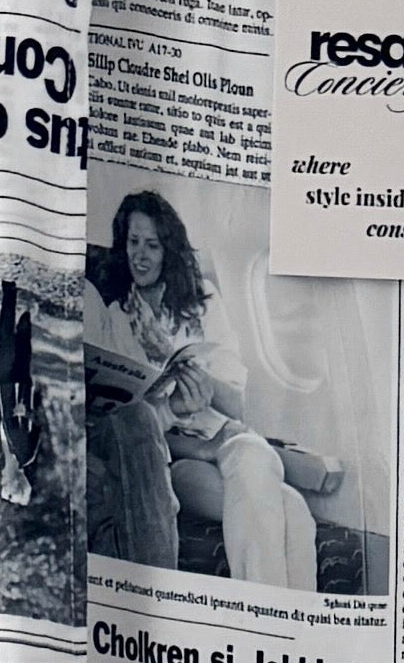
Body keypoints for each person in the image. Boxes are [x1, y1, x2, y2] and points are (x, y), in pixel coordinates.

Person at [87, 188, 332, 591]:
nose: (140, 256)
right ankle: (272, 618)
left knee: (283, 496)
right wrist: (198, 444)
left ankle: (277, 621)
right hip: (176, 457)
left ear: (169, 250)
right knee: (287, 509)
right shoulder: (115, 317)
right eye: (133, 242)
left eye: (152, 245)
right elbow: (129, 427)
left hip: (227, 437)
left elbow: (235, 405)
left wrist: (198, 378)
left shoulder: (203, 301)